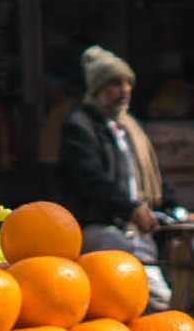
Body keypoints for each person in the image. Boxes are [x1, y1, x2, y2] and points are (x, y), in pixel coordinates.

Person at [58, 45, 177, 311]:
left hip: (138, 229)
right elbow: (91, 179)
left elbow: (152, 177)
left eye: (128, 83)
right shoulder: (80, 126)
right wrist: (131, 209)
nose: (125, 90)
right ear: (97, 89)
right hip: (102, 226)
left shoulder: (130, 128)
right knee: (142, 296)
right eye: (114, 83)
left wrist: (176, 207)